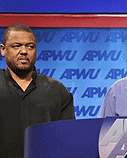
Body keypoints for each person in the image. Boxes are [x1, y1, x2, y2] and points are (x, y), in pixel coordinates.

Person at [0, 24, 75, 157]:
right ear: (3, 50)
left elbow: (68, 141)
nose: (24, 51)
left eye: (30, 46)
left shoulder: (57, 90)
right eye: (16, 46)